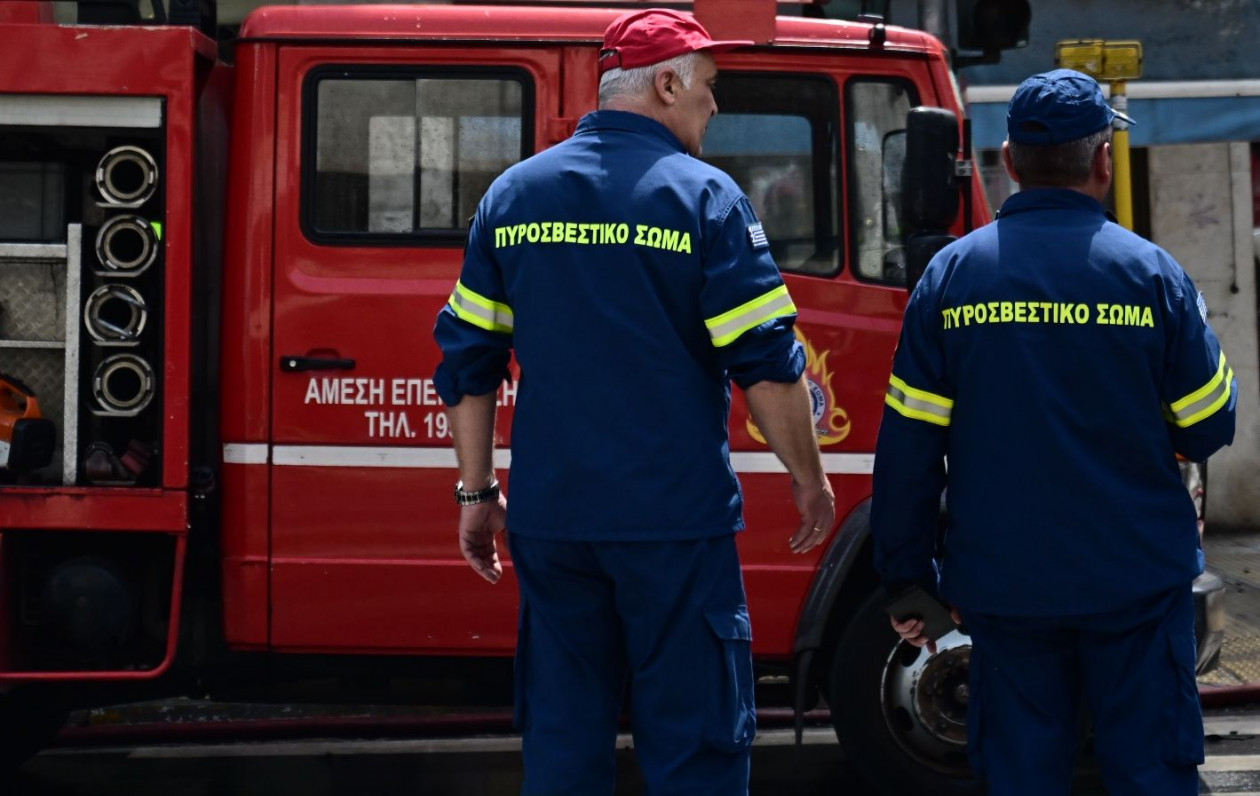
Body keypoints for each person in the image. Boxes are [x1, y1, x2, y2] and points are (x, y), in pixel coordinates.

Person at [431, 8, 836, 795]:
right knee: (697, 748)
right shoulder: (707, 201)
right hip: (672, 527)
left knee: (563, 741)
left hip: (554, 525)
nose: (714, 108)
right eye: (709, 88)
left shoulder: (513, 196)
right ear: (666, 82)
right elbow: (768, 365)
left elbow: (468, 361)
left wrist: (478, 493)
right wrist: (808, 477)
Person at [871, 68, 1237, 796]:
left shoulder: (949, 281)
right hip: (1134, 581)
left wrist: (907, 578)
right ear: (1104, 161)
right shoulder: (1152, 276)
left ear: (1007, 164)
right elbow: (1208, 425)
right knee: (1153, 774)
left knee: (1022, 774)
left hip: (1007, 589)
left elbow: (909, 448)